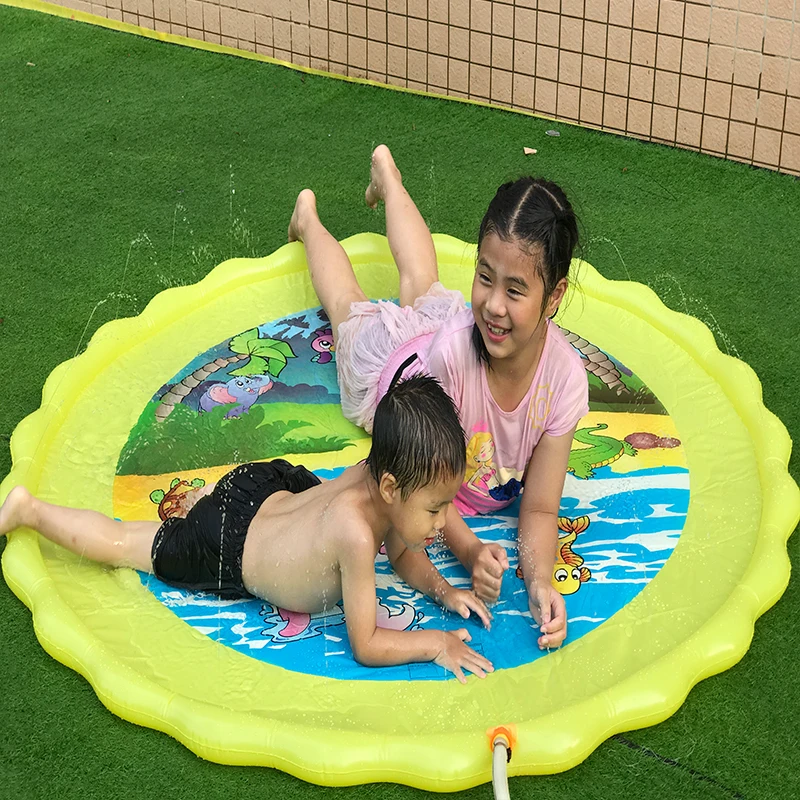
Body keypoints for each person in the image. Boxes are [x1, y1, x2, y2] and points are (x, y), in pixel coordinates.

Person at [288, 145, 588, 651]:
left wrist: (539, 582)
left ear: (553, 296)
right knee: (349, 308)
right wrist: (469, 550)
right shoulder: (452, 357)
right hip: (396, 369)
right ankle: (308, 220)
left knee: (423, 282)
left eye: (515, 291)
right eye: (484, 277)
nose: (493, 304)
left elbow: (538, 509)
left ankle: (389, 178)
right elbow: (423, 480)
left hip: (445, 333)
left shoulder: (563, 381)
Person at [0, 376, 494, 684]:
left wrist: (444, 590)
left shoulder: (378, 475)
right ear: (390, 487)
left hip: (271, 485)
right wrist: (437, 642)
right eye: (436, 509)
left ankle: (201, 502)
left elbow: (404, 549)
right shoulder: (356, 533)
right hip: (228, 544)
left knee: (313, 506)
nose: (444, 521)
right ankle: (30, 511)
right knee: (125, 542)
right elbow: (365, 644)